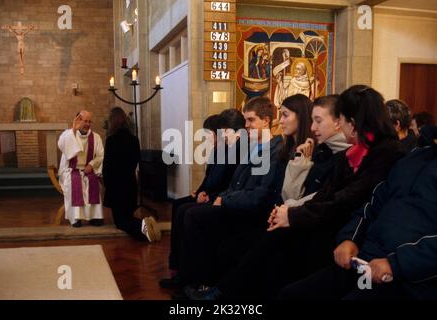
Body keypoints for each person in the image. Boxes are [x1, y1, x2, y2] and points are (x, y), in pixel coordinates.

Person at [189, 85, 405, 300]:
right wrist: (288, 210)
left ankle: (220, 294)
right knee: (235, 235)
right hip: (320, 220)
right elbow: (324, 194)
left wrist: (291, 213)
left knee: (267, 248)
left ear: (352, 121)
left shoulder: (383, 154)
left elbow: (349, 200)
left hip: (343, 233)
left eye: (320, 120)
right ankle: (216, 291)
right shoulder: (346, 153)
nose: (314, 126)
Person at [279, 126, 437, 300]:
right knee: (292, 294)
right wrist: (349, 238)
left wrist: (396, 264)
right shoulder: (414, 158)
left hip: (408, 278)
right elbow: (373, 203)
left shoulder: (391, 152)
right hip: (365, 261)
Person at [177, 96, 285, 294]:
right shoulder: (252, 147)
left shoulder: (275, 150)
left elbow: (259, 195)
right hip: (236, 204)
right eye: (245, 121)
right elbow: (234, 183)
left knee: (194, 215)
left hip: (253, 213)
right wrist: (222, 197)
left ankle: (201, 282)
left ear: (266, 121)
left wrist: (224, 199)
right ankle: (190, 278)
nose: (246, 126)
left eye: (251, 120)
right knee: (190, 212)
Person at [159, 109, 245, 289]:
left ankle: (189, 274)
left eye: (210, 134)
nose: (208, 138)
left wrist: (209, 195)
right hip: (213, 195)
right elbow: (210, 178)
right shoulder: (221, 151)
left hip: (223, 200)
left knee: (186, 211)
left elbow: (227, 184)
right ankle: (177, 267)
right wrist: (200, 191)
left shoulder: (236, 151)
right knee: (179, 205)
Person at [102, 107, 157, 242]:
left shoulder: (111, 140)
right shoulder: (134, 139)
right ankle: (145, 225)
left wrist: (106, 185)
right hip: (130, 185)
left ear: (112, 121)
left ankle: (143, 229)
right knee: (127, 216)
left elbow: (107, 166)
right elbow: (136, 160)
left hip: (116, 187)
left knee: (120, 222)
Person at [58, 110, 104, 227]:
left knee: (93, 182)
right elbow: (61, 145)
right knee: (75, 183)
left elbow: (100, 155)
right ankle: (76, 218)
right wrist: (73, 129)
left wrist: (92, 165)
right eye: (85, 121)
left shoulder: (96, 137)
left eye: (90, 121)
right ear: (78, 120)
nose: (88, 124)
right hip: (71, 170)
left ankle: (94, 217)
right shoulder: (68, 134)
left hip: (88, 170)